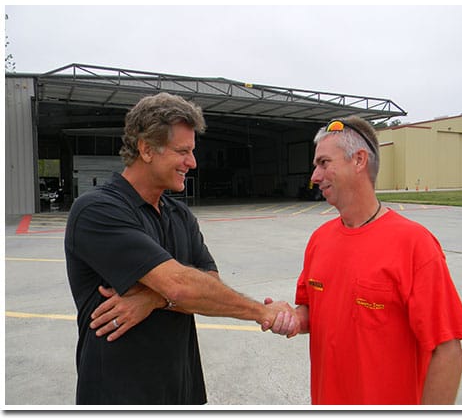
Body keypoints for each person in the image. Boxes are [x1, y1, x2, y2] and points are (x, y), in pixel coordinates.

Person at [65, 92, 297, 405]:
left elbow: (208, 284)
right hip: (117, 395)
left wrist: (152, 299)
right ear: (146, 149)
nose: (193, 162)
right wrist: (262, 311)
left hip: (181, 390)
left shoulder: (180, 214)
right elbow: (181, 284)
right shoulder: (96, 210)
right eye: (182, 151)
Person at [265, 116, 462, 405]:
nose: (313, 176)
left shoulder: (414, 244)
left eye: (324, 163)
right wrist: (291, 318)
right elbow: (314, 311)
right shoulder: (319, 240)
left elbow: (448, 350)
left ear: (359, 160)